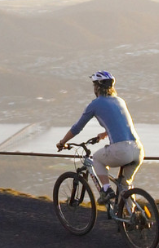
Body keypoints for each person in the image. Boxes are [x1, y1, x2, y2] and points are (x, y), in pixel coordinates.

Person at [56, 71, 144, 204]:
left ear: (97, 87)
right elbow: (122, 124)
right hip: (137, 149)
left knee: (96, 158)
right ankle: (131, 218)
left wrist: (62, 142)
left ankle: (106, 190)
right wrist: (104, 134)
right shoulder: (120, 101)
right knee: (125, 185)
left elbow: (77, 128)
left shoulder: (95, 104)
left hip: (121, 150)